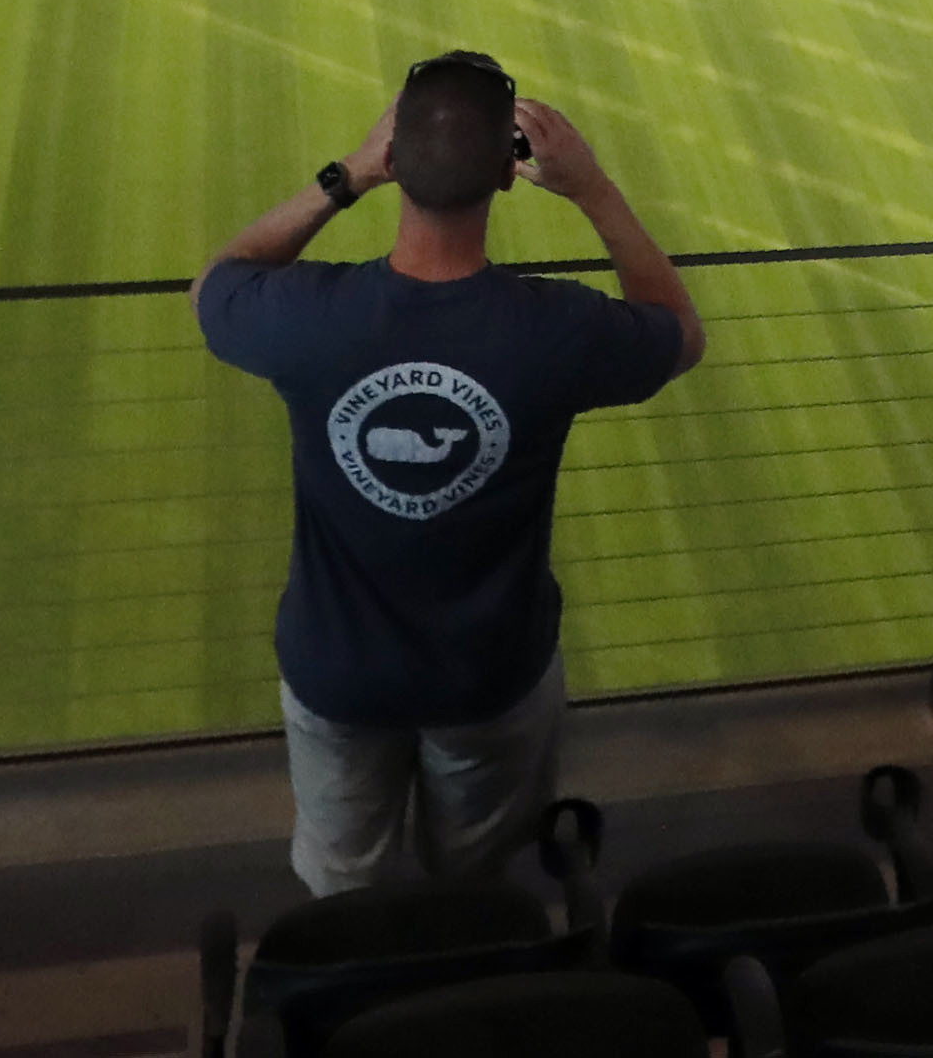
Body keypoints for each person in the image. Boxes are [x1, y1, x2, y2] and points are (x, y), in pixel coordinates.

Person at [196, 53, 703, 894]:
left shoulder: (308, 316)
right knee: (472, 881)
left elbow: (215, 284)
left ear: (393, 161)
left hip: (337, 670)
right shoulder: (557, 328)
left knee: (339, 884)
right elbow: (678, 333)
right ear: (511, 172)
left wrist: (344, 176)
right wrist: (594, 189)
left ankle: (352, 1009)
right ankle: (463, 989)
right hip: (490, 674)